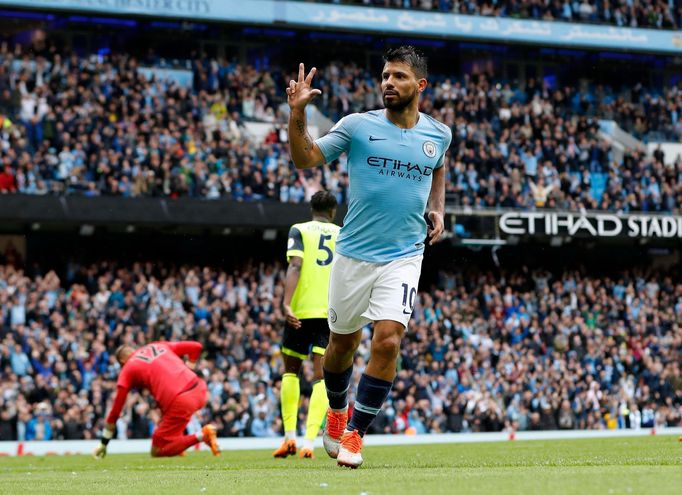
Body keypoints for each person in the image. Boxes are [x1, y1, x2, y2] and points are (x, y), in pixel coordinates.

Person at [286, 46, 451, 468]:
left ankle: (356, 434)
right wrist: (297, 112)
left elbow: (438, 167)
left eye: (398, 76)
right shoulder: (357, 126)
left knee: (389, 340)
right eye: (384, 76)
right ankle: (337, 411)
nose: (388, 83)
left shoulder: (439, 134)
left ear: (420, 85)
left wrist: (438, 208)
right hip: (354, 254)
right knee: (341, 345)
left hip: (405, 254)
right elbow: (304, 158)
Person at [272, 190, 340, 459]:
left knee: (291, 372)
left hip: (300, 312)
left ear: (311, 208)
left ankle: (289, 437)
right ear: (333, 211)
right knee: (321, 377)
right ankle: (309, 442)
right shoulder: (341, 233)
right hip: (329, 313)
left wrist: (286, 303)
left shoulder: (299, 230)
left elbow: (296, 265)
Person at [93, 341, 220, 458]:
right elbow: (196, 347)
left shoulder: (129, 368)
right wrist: (190, 367)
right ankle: (179, 446)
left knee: (157, 449)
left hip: (181, 399)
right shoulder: (158, 345)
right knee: (167, 421)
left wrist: (104, 443)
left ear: (122, 360)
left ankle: (203, 435)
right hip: (200, 388)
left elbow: (115, 411)